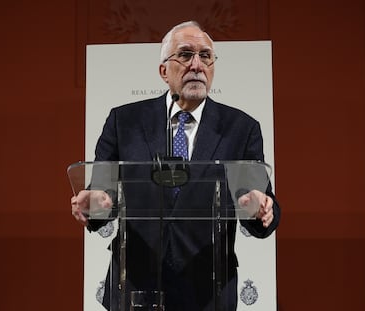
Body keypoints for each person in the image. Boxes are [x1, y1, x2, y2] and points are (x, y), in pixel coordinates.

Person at [71, 21, 280, 311]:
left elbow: (259, 203)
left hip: (208, 290)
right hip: (135, 287)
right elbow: (103, 194)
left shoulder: (240, 128)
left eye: (206, 56)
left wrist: (258, 205)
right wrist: (94, 202)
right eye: (185, 54)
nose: (197, 65)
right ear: (163, 71)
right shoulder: (124, 122)